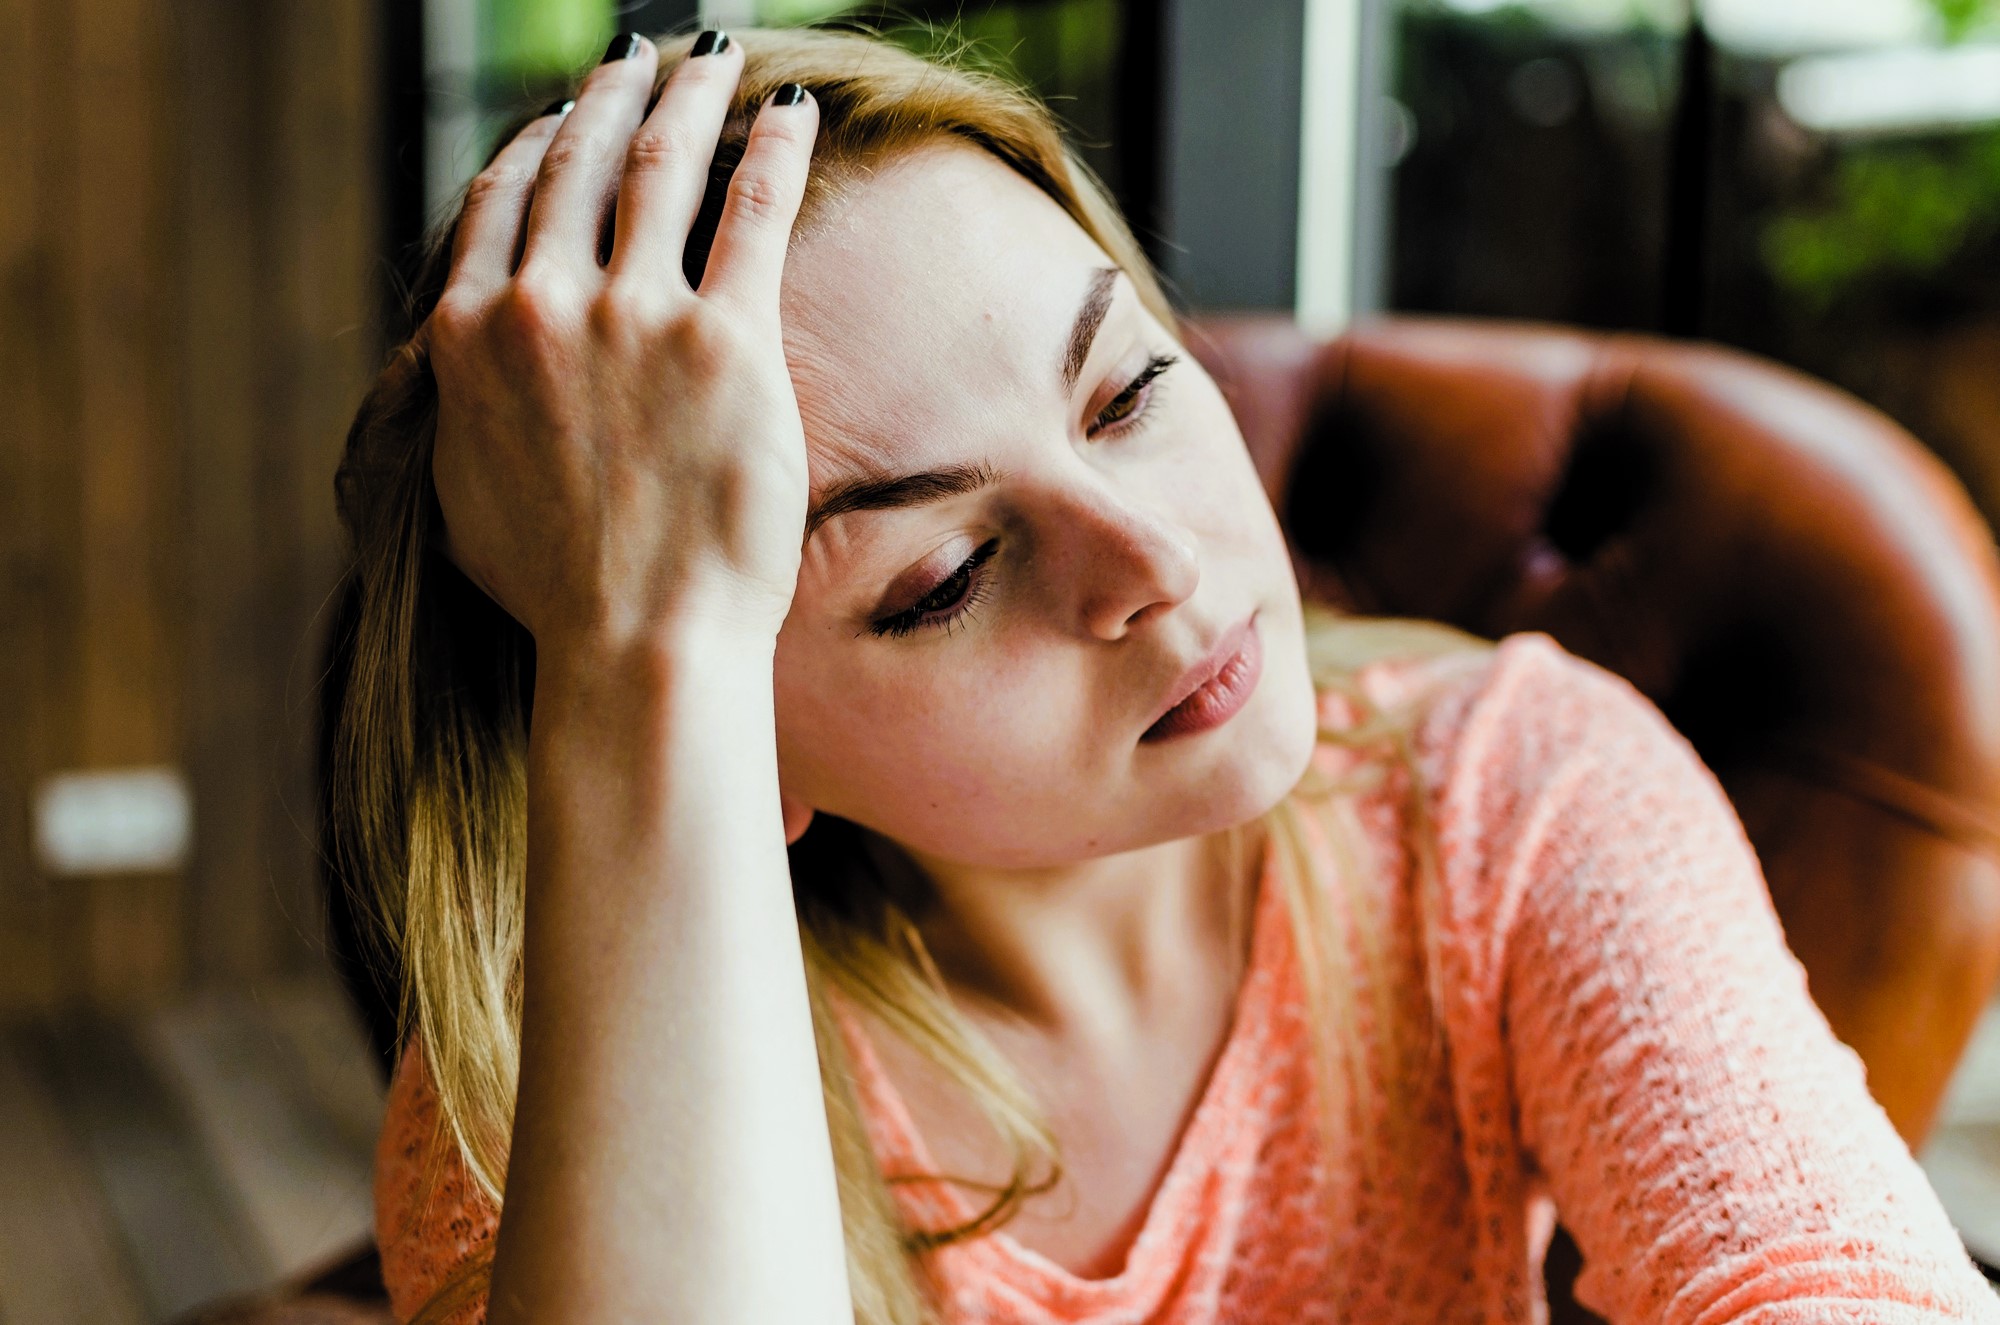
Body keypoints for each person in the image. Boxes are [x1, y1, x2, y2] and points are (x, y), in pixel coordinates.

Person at [328, 24, 2000, 1325]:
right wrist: (639, 655)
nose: (1159, 562)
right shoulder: (540, 1072)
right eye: (946, 578)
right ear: (718, 737)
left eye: (1127, 390)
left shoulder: (1505, 786)